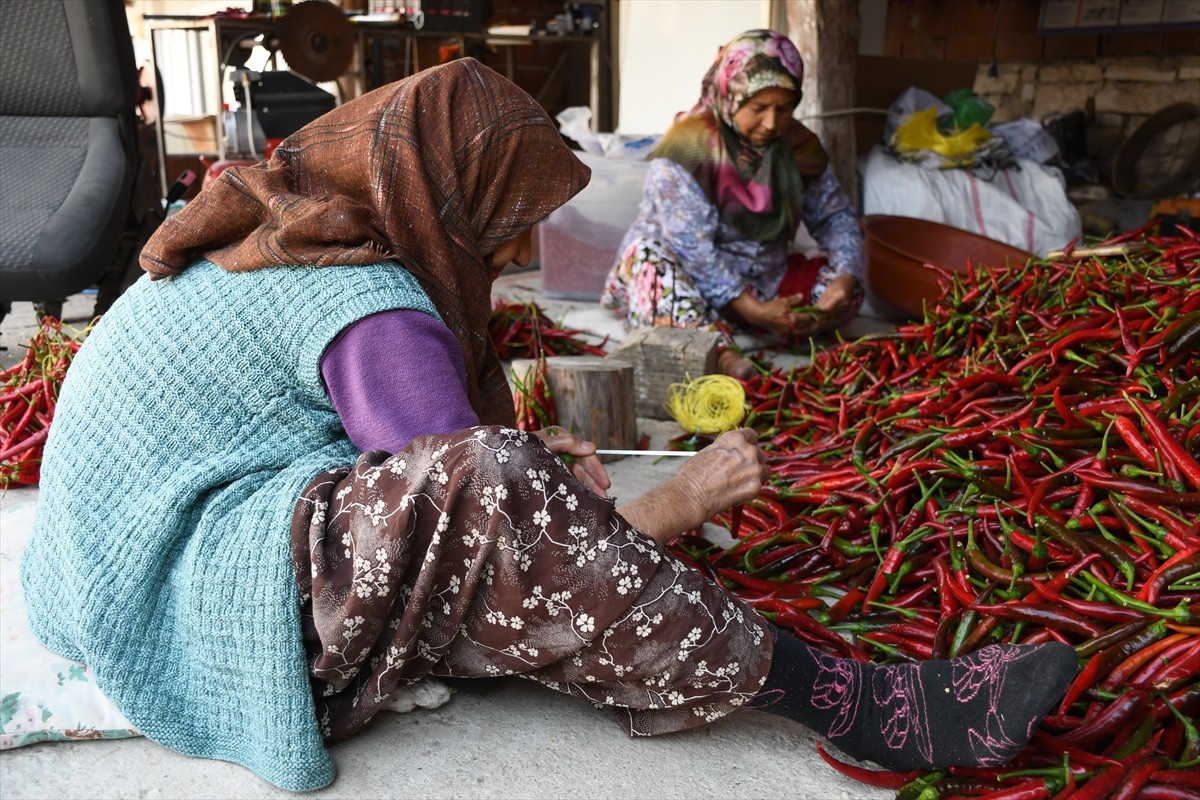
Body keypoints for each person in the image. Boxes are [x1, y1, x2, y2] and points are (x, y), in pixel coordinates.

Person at [20, 59, 1077, 793]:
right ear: (449, 194)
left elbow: (401, 458)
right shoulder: (368, 296)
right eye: (505, 216)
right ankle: (851, 700)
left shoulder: (300, 221)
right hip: (176, 595)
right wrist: (669, 503)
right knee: (494, 490)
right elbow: (469, 501)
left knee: (500, 480)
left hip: (99, 564)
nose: (516, 244)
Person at [600, 30, 865, 378]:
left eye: (784, 108)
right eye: (758, 108)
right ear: (729, 96)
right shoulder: (688, 147)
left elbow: (836, 218)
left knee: (847, 292)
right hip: (687, 276)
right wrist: (753, 310)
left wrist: (844, 278)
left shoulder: (799, 146)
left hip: (762, 279)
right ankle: (720, 353)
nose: (772, 123)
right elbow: (694, 251)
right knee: (653, 268)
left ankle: (759, 324)